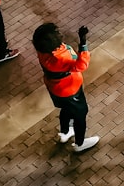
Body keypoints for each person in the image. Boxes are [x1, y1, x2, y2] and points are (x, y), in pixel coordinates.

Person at [32, 23, 99, 153]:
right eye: (56, 33)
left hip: (55, 88)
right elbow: (81, 65)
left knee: (66, 109)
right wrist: (83, 42)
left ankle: (65, 132)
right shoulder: (61, 57)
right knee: (80, 115)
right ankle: (80, 143)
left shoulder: (43, 51)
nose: (60, 34)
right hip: (70, 90)